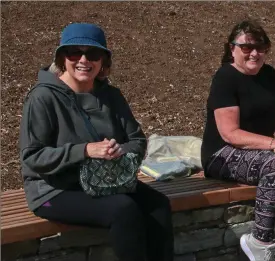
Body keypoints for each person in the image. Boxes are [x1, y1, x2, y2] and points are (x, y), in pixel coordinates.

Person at [19, 23, 174, 261]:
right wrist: (86, 151)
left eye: (93, 54)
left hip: (107, 181)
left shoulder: (111, 96)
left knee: (158, 204)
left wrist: (118, 150)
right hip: (53, 190)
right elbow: (32, 157)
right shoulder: (43, 97)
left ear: (103, 61)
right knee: (123, 210)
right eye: (74, 53)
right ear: (62, 58)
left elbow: (137, 140)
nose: (83, 60)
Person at [201, 20, 275, 261]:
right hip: (221, 154)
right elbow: (229, 133)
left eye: (261, 47)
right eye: (247, 47)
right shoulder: (225, 77)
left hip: (259, 152)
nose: (255, 53)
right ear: (232, 48)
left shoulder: (269, 74)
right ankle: (260, 242)